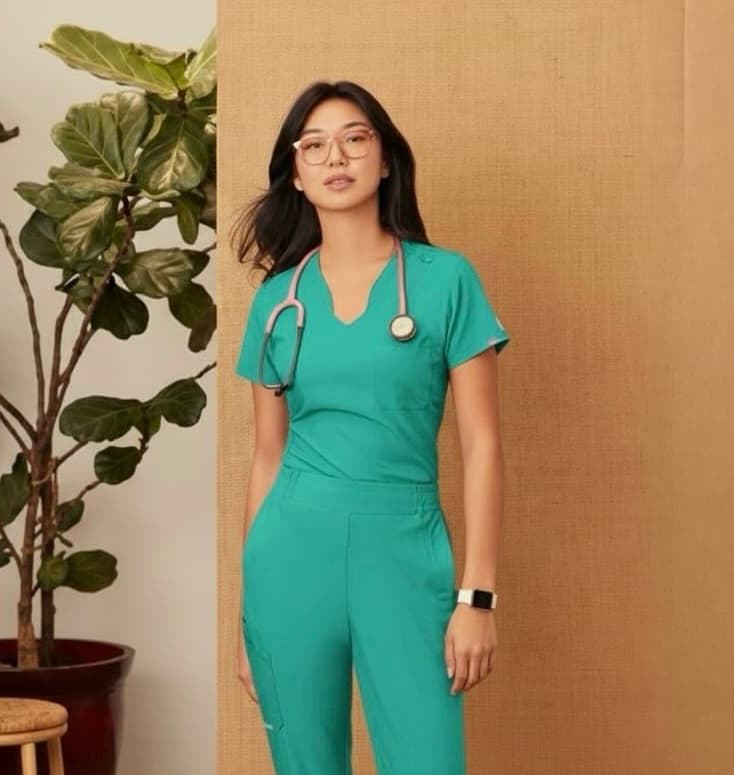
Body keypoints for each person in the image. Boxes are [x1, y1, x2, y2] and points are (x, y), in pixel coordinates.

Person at [231, 80, 510, 775]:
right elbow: (267, 458)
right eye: (314, 144)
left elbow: (481, 446)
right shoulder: (276, 301)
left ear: (385, 159)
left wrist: (475, 596)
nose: (336, 157)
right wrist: (247, 613)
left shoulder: (446, 281)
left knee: (426, 760)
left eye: (355, 138)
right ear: (294, 173)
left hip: (405, 549)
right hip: (289, 555)